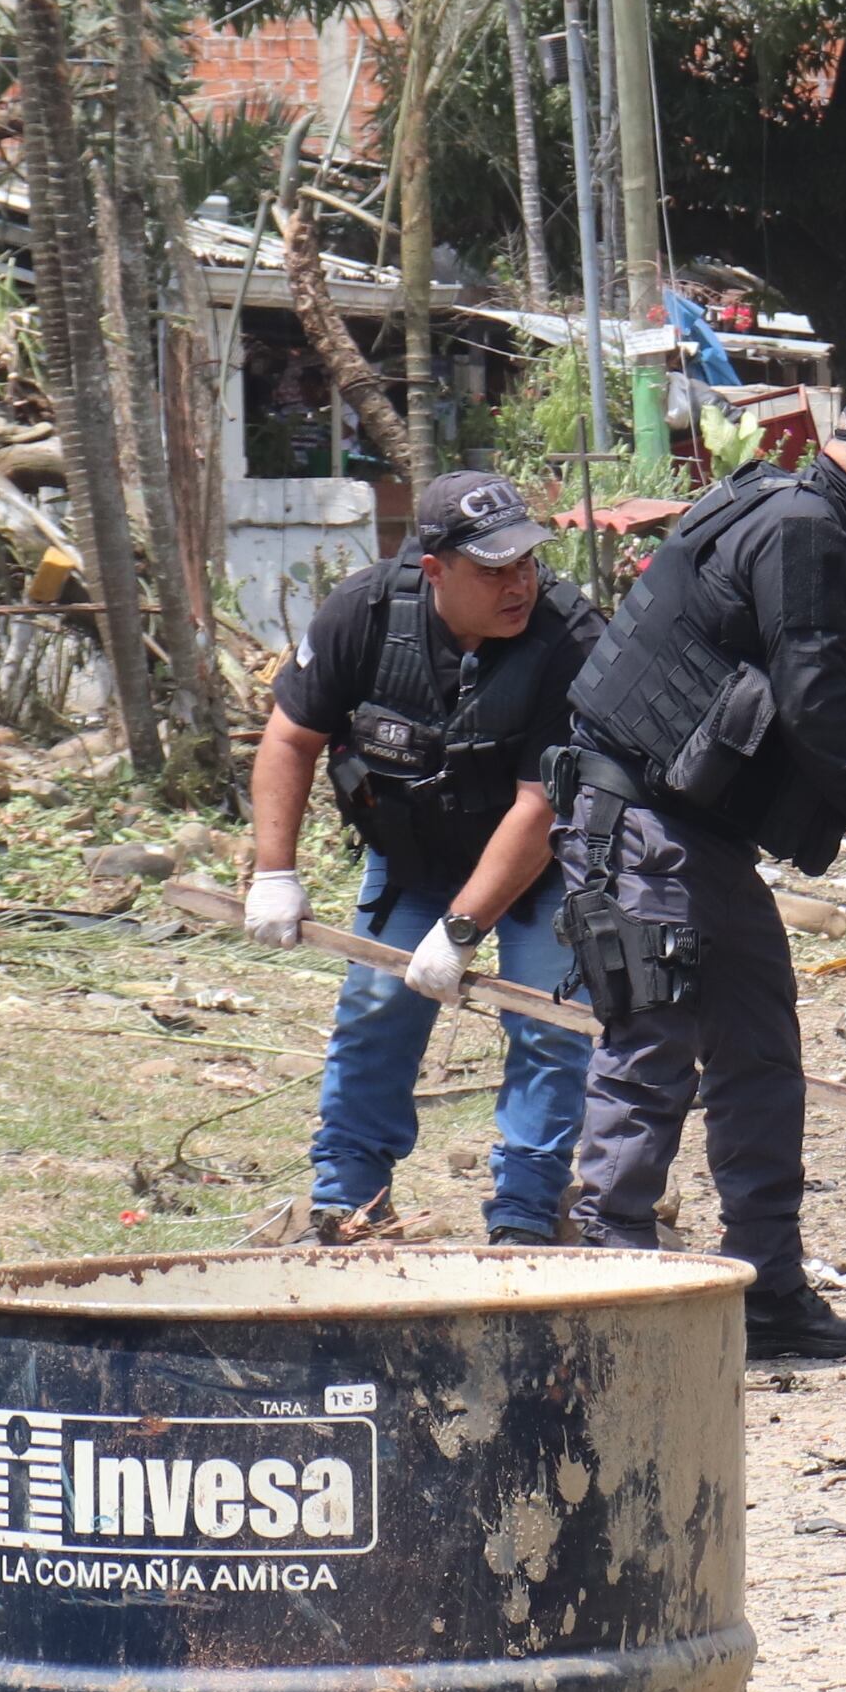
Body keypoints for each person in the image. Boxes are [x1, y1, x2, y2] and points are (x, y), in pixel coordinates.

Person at [554, 375, 846, 1361]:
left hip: (706, 839)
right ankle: (606, 1299)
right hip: (637, 822)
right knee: (651, 1054)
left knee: (762, 1055)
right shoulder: (801, 531)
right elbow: (811, 708)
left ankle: (765, 1293)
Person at [243, 474, 601, 1242]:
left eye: (527, 564)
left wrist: (465, 929)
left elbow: (539, 807)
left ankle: (528, 1214)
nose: (520, 584)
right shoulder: (363, 613)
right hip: (413, 855)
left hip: (539, 866)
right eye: (494, 570)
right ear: (435, 570)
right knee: (376, 1013)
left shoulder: (572, 638)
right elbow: (290, 738)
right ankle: (349, 1203)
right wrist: (275, 871)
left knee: (549, 1022)